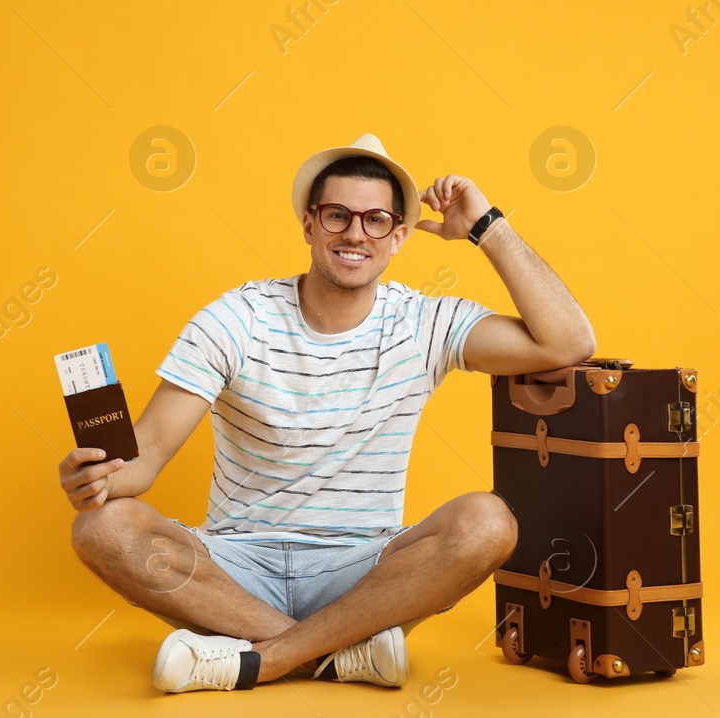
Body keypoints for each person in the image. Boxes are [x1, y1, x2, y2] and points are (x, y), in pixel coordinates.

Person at [58, 134, 595, 692]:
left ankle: (264, 659)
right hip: (232, 572)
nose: (355, 234)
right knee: (101, 525)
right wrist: (99, 478)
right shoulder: (236, 319)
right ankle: (334, 655)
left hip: (366, 576)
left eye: (376, 220)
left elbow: (568, 342)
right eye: (337, 215)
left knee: (489, 522)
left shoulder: (424, 324)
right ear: (309, 224)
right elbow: (147, 454)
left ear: (398, 237)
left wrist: (486, 226)